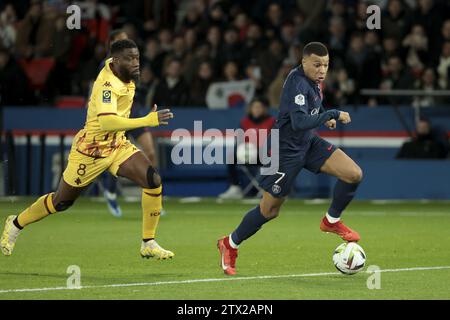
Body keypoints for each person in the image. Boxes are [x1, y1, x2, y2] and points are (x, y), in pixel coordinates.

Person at [1, 39, 175, 260]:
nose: (136, 63)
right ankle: (15, 223)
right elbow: (107, 122)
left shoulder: (122, 71)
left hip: (116, 145)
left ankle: (148, 242)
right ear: (117, 61)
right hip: (90, 151)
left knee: (152, 180)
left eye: (138, 58)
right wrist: (147, 120)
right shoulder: (107, 85)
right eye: (130, 59)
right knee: (61, 202)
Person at [217, 42, 362, 275]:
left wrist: (323, 117)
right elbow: (298, 122)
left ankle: (331, 221)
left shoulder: (314, 81)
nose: (322, 69)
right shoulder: (296, 83)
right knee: (269, 211)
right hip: (284, 151)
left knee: (353, 174)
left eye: (325, 65)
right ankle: (229, 243)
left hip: (308, 142)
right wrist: (332, 113)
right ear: (303, 62)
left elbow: (310, 110)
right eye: (317, 64)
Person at [100, 29, 162, 218]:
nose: (127, 42)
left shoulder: (132, 61)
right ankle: (110, 192)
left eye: (128, 39)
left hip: (133, 110)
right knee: (114, 156)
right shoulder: (107, 68)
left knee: (150, 150)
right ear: (112, 44)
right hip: (117, 115)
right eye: (121, 40)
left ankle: (152, 192)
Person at [218, 97, 276, 199]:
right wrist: (244, 149)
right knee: (232, 156)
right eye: (254, 107)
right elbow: (240, 139)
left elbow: (274, 140)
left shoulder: (271, 121)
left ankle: (269, 188)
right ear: (250, 109)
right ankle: (235, 187)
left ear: (264, 109)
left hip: (266, 155)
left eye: (259, 107)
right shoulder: (245, 122)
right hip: (248, 153)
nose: (257, 109)